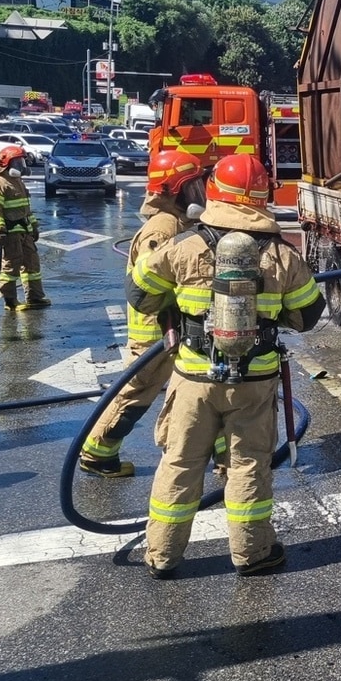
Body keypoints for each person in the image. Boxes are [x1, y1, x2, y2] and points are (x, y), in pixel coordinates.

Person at [128, 154, 324, 578]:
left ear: (215, 191)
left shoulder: (185, 245)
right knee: (248, 464)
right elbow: (307, 316)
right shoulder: (282, 255)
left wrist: (178, 308)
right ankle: (253, 554)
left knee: (180, 461)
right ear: (261, 198)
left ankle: (162, 554)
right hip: (255, 383)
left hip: (193, 377)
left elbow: (140, 293)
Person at [79, 150, 206, 478]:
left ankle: (214, 453)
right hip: (156, 331)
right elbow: (152, 283)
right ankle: (97, 452)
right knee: (136, 394)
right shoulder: (162, 229)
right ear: (171, 190)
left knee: (198, 388)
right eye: (191, 186)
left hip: (170, 328)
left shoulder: (177, 222)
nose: (198, 192)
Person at [0, 145, 51, 311]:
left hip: (24, 232)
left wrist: (34, 226)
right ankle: (10, 301)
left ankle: (35, 297)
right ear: (7, 163)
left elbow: (26, 209)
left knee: (32, 265)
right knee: (10, 267)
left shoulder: (18, 182)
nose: (22, 166)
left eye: (22, 162)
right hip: (10, 233)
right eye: (18, 162)